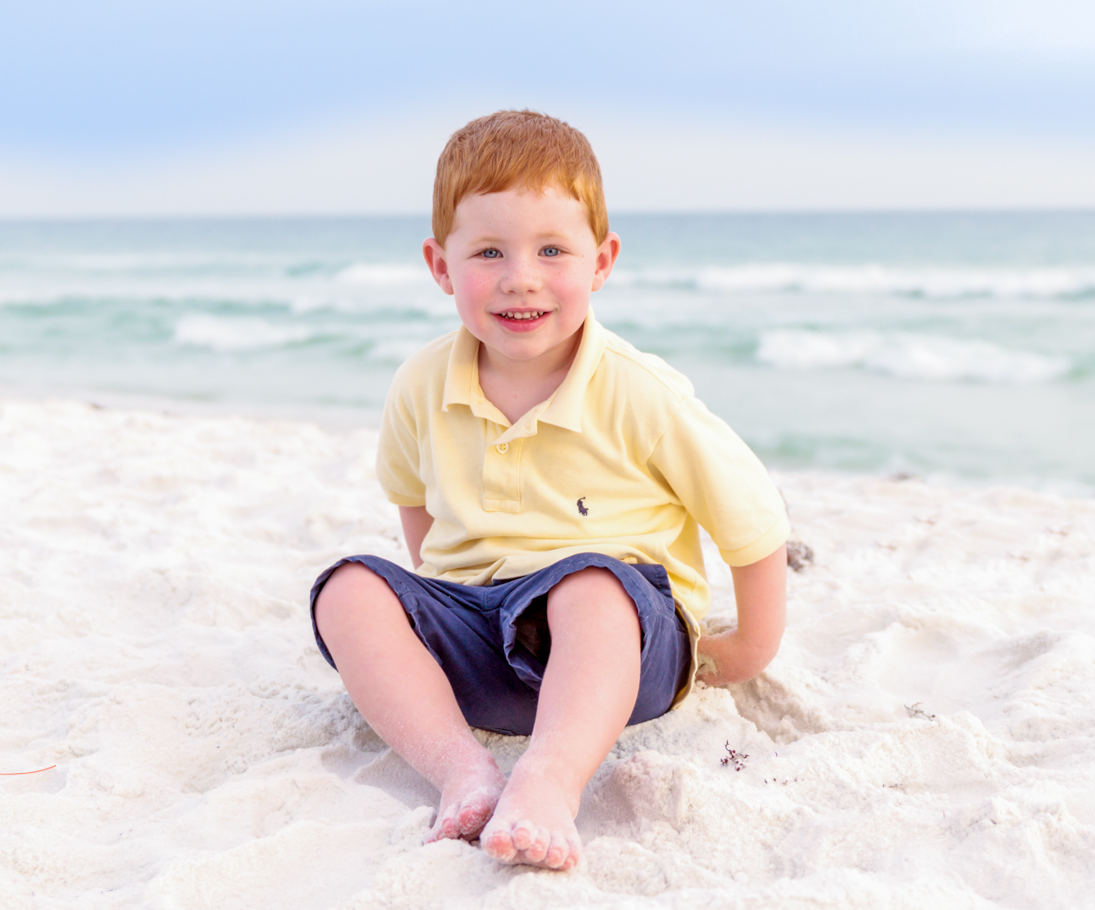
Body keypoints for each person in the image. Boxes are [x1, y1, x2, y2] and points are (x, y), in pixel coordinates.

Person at [310, 110, 789, 871]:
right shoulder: (422, 383)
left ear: (602, 261)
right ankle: (461, 769)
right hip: (484, 644)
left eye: (552, 250)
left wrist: (746, 650)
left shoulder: (638, 392)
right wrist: (436, 606)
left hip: (621, 652)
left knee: (592, 582)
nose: (520, 277)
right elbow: (414, 499)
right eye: (489, 251)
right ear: (440, 266)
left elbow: (752, 521)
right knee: (345, 588)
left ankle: (549, 780)